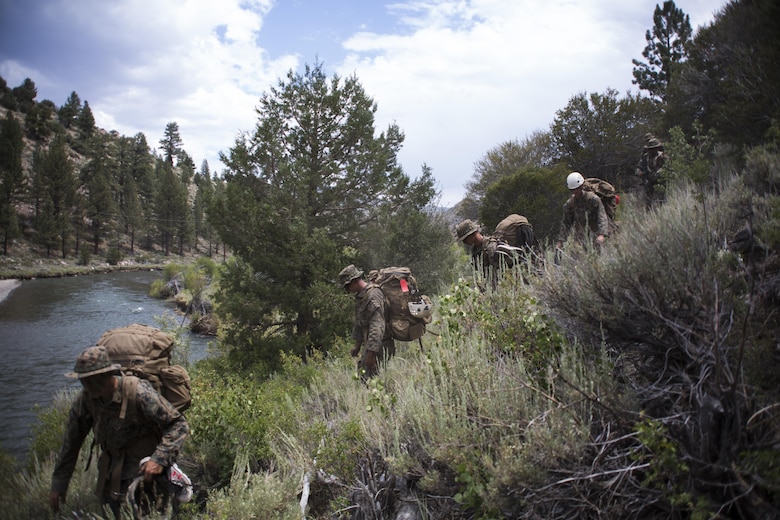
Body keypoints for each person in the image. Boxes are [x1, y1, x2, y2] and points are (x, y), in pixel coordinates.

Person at [50, 346, 189, 518]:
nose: (87, 386)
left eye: (92, 380)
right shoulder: (87, 399)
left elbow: (178, 424)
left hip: (144, 476)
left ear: (107, 375)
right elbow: (71, 443)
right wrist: (59, 485)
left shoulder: (137, 392)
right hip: (110, 477)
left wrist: (159, 459)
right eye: (83, 381)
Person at [339, 264, 395, 380]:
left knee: (371, 380)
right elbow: (360, 323)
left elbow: (377, 327)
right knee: (366, 377)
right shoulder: (361, 296)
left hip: (380, 345)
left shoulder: (373, 296)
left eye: (347, 286)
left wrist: (371, 355)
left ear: (354, 281)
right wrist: (357, 346)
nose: (347, 290)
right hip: (371, 346)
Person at [455, 219, 523, 288]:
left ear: (472, 235)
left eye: (465, 238)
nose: (464, 242)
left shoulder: (491, 247)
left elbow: (501, 272)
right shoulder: (475, 250)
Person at [556, 172, 609, 250]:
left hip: (597, 235)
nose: (575, 192)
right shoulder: (569, 205)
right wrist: (561, 241)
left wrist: (602, 235)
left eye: (577, 189)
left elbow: (602, 216)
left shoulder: (593, 199)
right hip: (581, 238)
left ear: (582, 186)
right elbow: (566, 224)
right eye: (573, 190)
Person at [636, 133, 666, 206]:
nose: (652, 150)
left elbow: (667, 167)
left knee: (661, 200)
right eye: (650, 149)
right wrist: (639, 172)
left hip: (660, 181)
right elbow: (639, 166)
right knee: (648, 199)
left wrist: (660, 172)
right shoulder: (645, 157)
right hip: (649, 181)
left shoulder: (662, 156)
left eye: (654, 148)